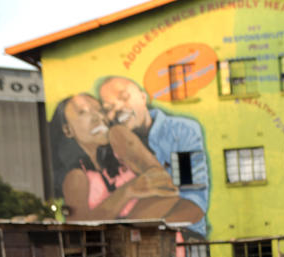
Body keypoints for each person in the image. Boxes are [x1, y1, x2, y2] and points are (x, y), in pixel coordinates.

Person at [50, 93, 184, 222]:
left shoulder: (118, 137)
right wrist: (127, 192)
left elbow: (165, 186)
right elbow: (79, 230)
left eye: (100, 110)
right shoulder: (75, 177)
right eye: (83, 112)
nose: (97, 117)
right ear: (67, 130)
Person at [98, 76, 208, 229]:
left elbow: (192, 199)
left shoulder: (179, 132)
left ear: (143, 98)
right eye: (108, 108)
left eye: (124, 97)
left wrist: (148, 231)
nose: (117, 108)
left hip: (181, 235)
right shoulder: (110, 147)